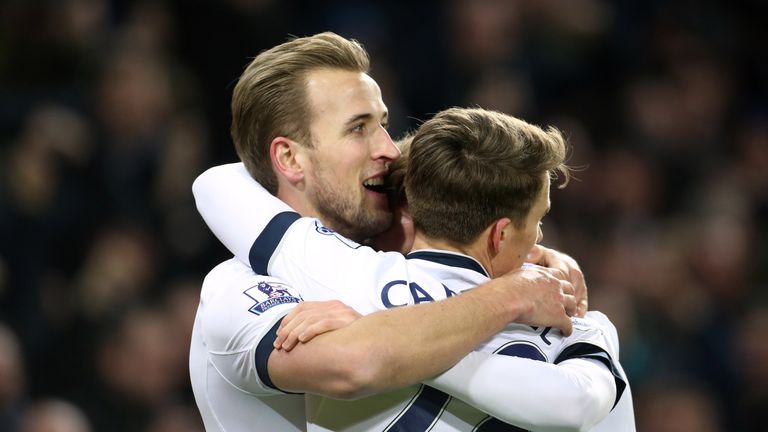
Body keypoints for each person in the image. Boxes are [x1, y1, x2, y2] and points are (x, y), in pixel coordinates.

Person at [189, 32, 584, 431]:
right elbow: (352, 365)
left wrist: (530, 257)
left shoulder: (392, 242)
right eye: (358, 128)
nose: (389, 149)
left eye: (383, 123)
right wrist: (510, 295)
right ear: (290, 158)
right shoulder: (238, 290)